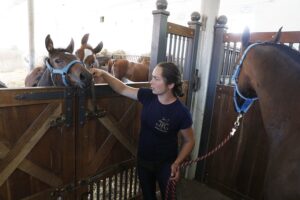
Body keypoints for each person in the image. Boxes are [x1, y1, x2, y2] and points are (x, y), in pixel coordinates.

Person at [90, 62, 195, 200]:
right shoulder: (148, 96)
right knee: (148, 196)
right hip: (144, 161)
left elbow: (189, 140)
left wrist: (177, 163)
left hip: (166, 165)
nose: (150, 82)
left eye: (156, 79)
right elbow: (122, 89)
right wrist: (104, 73)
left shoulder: (181, 112)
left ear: (170, 85)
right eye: (152, 77)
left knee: (169, 197)